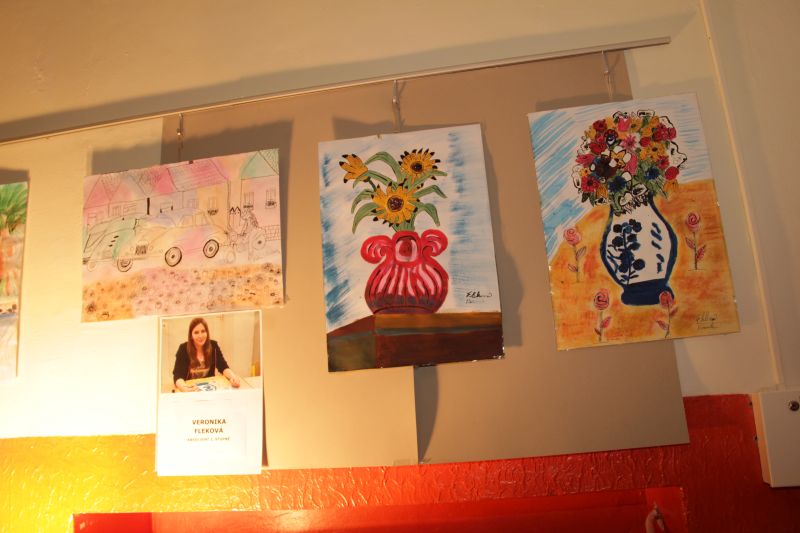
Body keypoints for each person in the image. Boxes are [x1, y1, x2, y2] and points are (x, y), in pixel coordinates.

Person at [172, 317, 241, 392]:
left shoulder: (214, 345)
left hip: (209, 389)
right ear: (191, 335)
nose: (200, 336)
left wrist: (233, 377)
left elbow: (223, 367)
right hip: (191, 390)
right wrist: (184, 388)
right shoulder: (183, 349)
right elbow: (178, 376)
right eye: (196, 332)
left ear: (207, 333)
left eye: (203, 331)